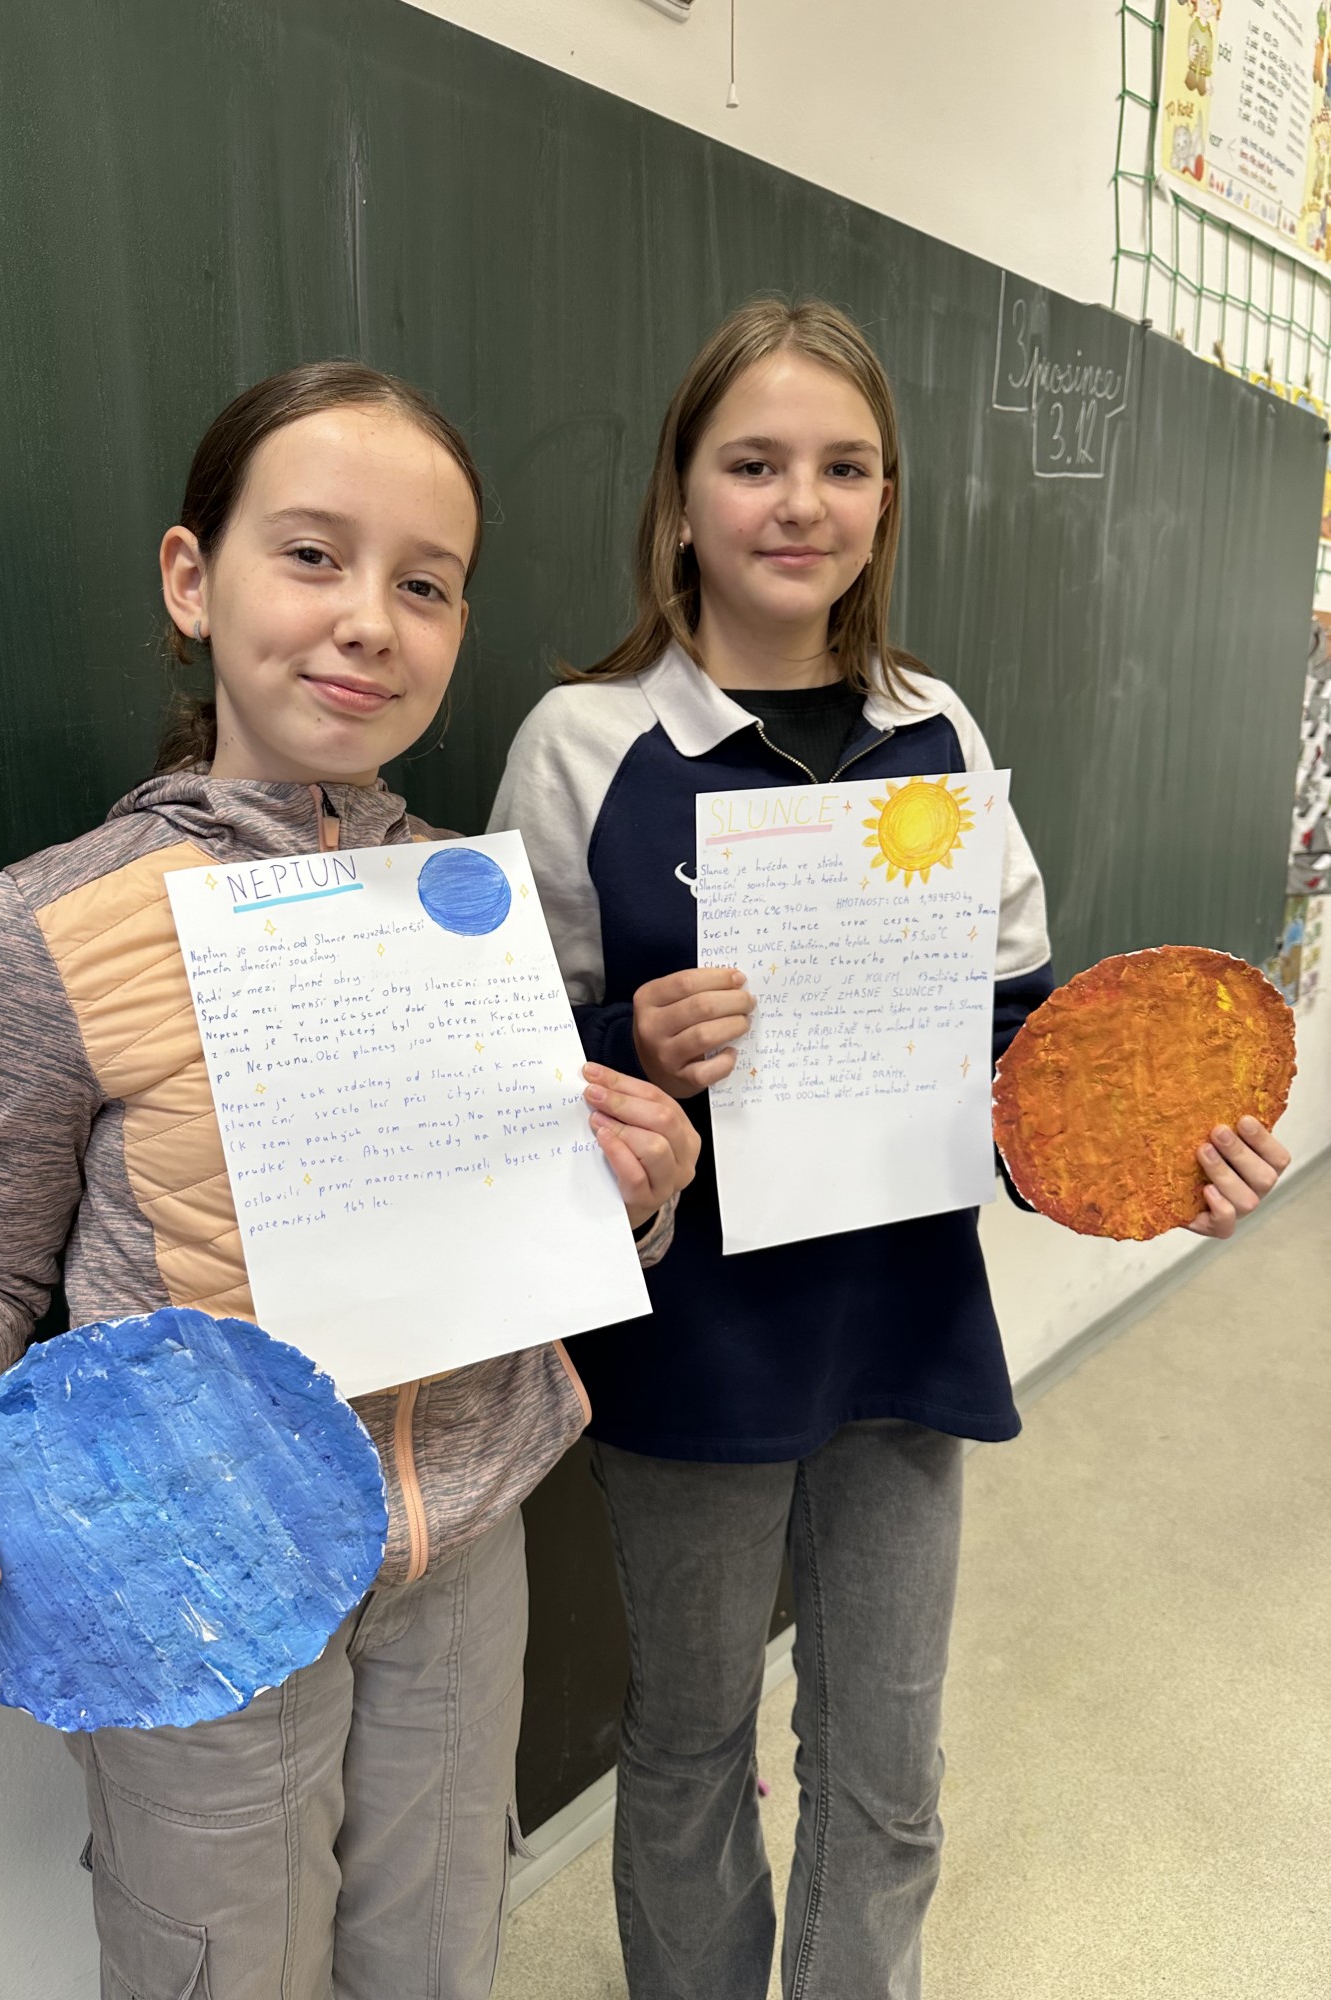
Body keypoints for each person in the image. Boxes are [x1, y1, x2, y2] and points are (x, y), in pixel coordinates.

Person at [0, 361, 699, 2000]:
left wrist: (635, 1189)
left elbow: (523, 1223)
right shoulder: (58, 921)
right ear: (192, 579)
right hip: (196, 1580)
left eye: (425, 585)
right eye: (311, 555)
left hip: (464, 1555)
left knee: (437, 1953)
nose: (367, 620)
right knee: (222, 1966)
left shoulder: (465, 903)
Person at [488, 297, 1291, 2000]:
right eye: (754, 464)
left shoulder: (941, 731)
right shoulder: (586, 744)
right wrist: (628, 1048)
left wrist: (1154, 1159)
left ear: (886, 501)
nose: (801, 503)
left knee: (887, 1757)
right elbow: (503, 1074)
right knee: (692, 1743)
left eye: (845, 467)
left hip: (904, 1323)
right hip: (694, 1340)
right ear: (680, 496)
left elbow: (1014, 1054)